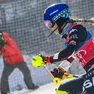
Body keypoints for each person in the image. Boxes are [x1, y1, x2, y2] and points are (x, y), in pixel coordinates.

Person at [32, 3, 94, 94]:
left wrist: (47, 59)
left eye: (49, 24)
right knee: (63, 90)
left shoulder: (76, 30)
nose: (49, 27)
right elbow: (74, 54)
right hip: (91, 71)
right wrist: (61, 70)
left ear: (58, 19)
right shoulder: (70, 34)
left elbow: (69, 52)